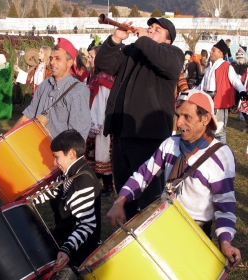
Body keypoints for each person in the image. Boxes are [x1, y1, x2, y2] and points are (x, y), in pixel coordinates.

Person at [107, 90, 242, 270]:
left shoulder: (220, 156)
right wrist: (120, 200)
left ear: (205, 119)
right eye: (178, 115)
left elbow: (225, 205)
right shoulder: (170, 144)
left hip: (195, 232)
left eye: (187, 117)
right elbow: (143, 174)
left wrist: (225, 242)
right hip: (164, 223)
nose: (179, 123)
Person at [94, 17, 184, 220]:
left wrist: (144, 39)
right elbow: (104, 64)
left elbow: (169, 66)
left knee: (149, 196)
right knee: (126, 192)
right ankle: (129, 236)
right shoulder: (132, 52)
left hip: (148, 136)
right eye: (149, 28)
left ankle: (152, 234)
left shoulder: (173, 53)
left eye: (157, 30)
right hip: (121, 134)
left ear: (168, 40)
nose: (150, 30)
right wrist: (116, 39)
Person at [33, 129, 102, 279]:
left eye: (57, 157)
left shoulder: (83, 181)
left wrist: (66, 250)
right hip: (63, 238)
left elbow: (87, 225)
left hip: (77, 251)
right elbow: (53, 190)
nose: (54, 162)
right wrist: (29, 201)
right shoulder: (70, 173)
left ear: (71, 154)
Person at [14, 38, 91, 140]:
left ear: (69, 63)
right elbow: (27, 116)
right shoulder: (44, 85)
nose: (52, 62)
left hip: (58, 152)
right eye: (51, 58)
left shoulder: (78, 90)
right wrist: (8, 140)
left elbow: (77, 134)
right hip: (34, 147)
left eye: (57, 58)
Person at [197, 39, 246, 144]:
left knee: (219, 131)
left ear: (220, 53)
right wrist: (192, 92)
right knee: (207, 128)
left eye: (213, 50)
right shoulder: (209, 67)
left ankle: (222, 151)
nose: (210, 52)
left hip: (219, 103)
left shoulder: (226, 66)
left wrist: (242, 90)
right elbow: (202, 84)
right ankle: (208, 150)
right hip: (206, 101)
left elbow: (235, 80)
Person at [86, 44, 115, 196]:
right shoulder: (96, 76)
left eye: (92, 56)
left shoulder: (103, 78)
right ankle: (97, 184)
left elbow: (100, 103)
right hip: (95, 121)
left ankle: (108, 186)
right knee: (95, 154)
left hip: (101, 122)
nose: (89, 59)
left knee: (102, 154)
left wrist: (95, 125)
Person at [231, 48, 248, 131]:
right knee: (238, 101)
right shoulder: (233, 64)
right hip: (235, 86)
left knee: (244, 104)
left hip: (245, 86)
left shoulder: (246, 64)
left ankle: (242, 117)